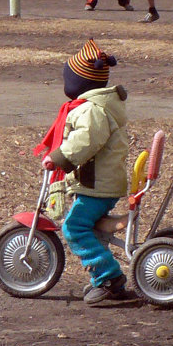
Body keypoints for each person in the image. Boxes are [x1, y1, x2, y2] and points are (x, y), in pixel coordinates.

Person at [36, 39, 130, 305]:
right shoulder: (97, 104)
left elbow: (86, 141)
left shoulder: (92, 110)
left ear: (80, 82)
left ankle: (109, 279)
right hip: (99, 181)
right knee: (82, 224)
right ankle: (103, 278)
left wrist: (59, 158)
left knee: (74, 227)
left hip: (97, 184)